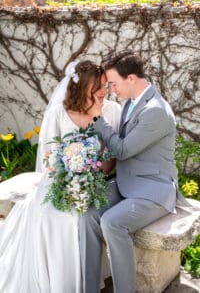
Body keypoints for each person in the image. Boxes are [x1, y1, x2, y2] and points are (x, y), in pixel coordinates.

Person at [0, 60, 121, 292]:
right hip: (59, 182)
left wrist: (90, 177)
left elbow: (112, 156)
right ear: (81, 88)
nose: (103, 92)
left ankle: (79, 282)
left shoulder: (112, 111)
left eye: (105, 86)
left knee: (78, 219)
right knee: (48, 215)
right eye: (97, 88)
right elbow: (48, 156)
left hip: (92, 185)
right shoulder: (58, 113)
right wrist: (68, 177)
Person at [79, 50, 188, 293]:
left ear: (131, 79)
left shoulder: (155, 111)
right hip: (127, 183)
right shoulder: (130, 103)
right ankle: (88, 289)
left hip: (154, 190)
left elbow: (124, 150)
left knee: (112, 222)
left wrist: (98, 120)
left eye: (114, 83)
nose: (112, 90)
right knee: (88, 213)